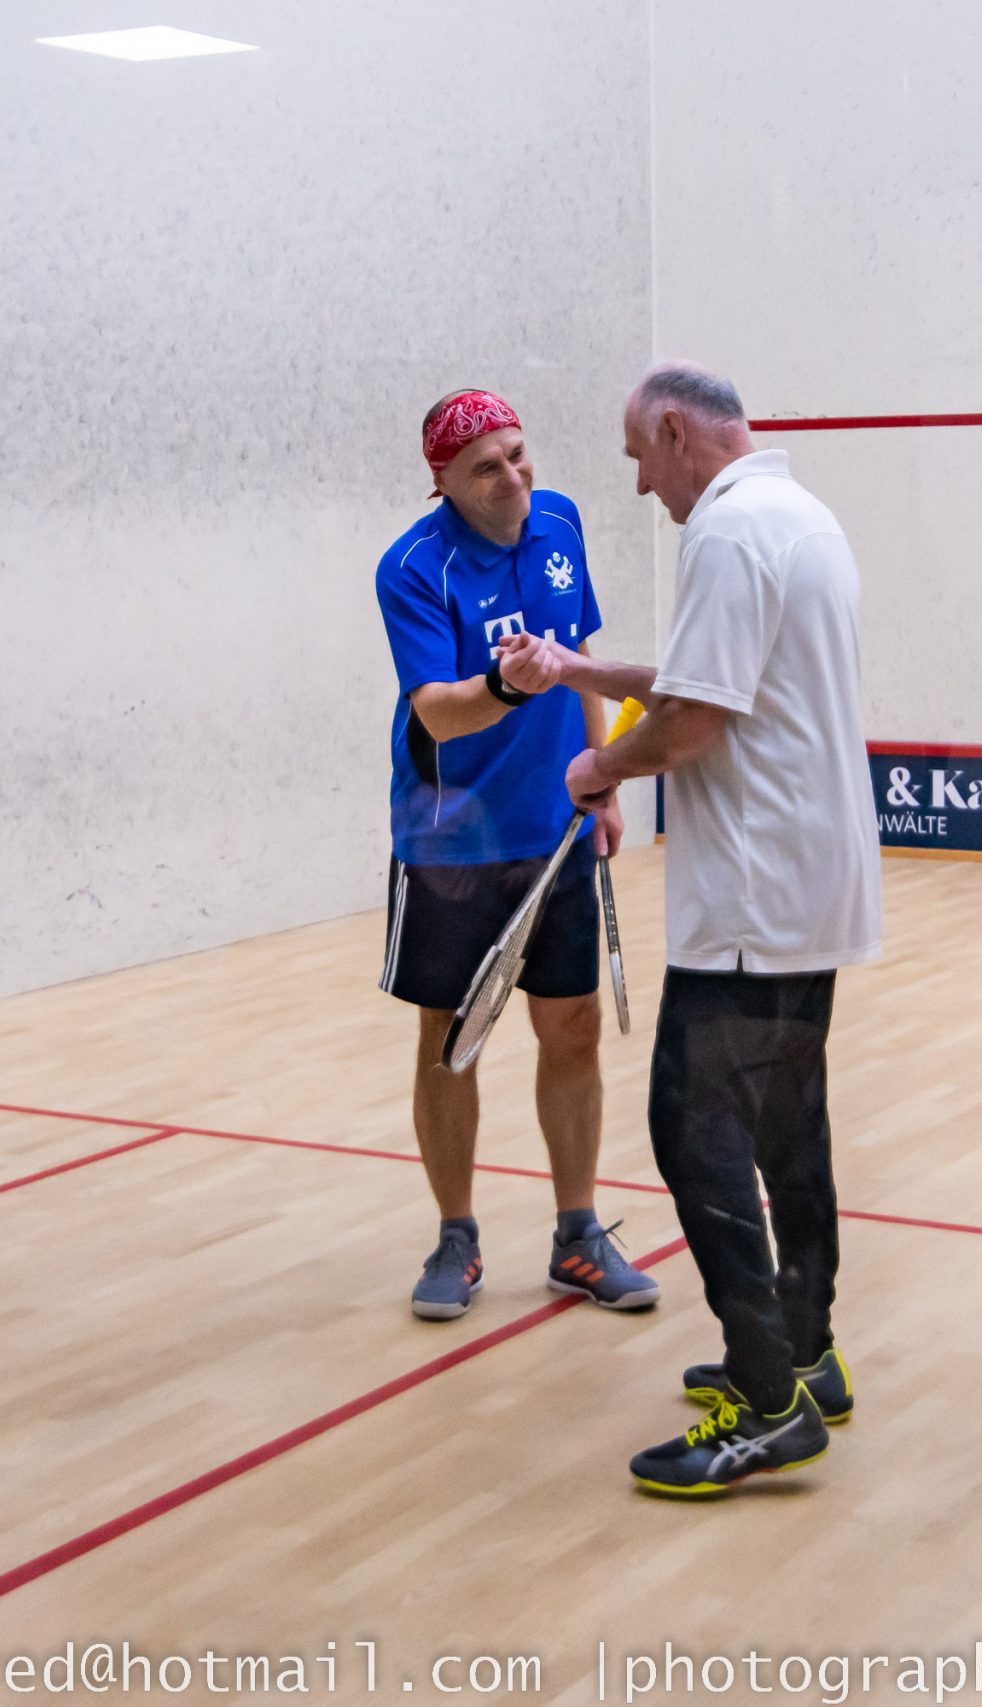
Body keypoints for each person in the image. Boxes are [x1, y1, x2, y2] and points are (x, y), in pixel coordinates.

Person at [498, 361, 881, 1496]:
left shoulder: (725, 530)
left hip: (755, 895)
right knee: (787, 1126)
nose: (637, 486)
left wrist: (599, 765)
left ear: (674, 431)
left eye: (636, 458)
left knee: (693, 1128)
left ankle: (767, 1406)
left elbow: (693, 721)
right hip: (810, 884)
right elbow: (707, 674)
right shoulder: (796, 515)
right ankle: (806, 1355)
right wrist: (578, 669)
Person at [372, 389, 660, 1323]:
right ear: (444, 482)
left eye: (518, 453)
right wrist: (503, 685)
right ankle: (456, 1236)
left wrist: (604, 773)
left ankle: (578, 1235)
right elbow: (437, 712)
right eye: (486, 467)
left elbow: (582, 651)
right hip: (451, 841)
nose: (513, 476)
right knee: (449, 1041)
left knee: (572, 1028)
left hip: (558, 827)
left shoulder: (562, 522)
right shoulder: (414, 568)